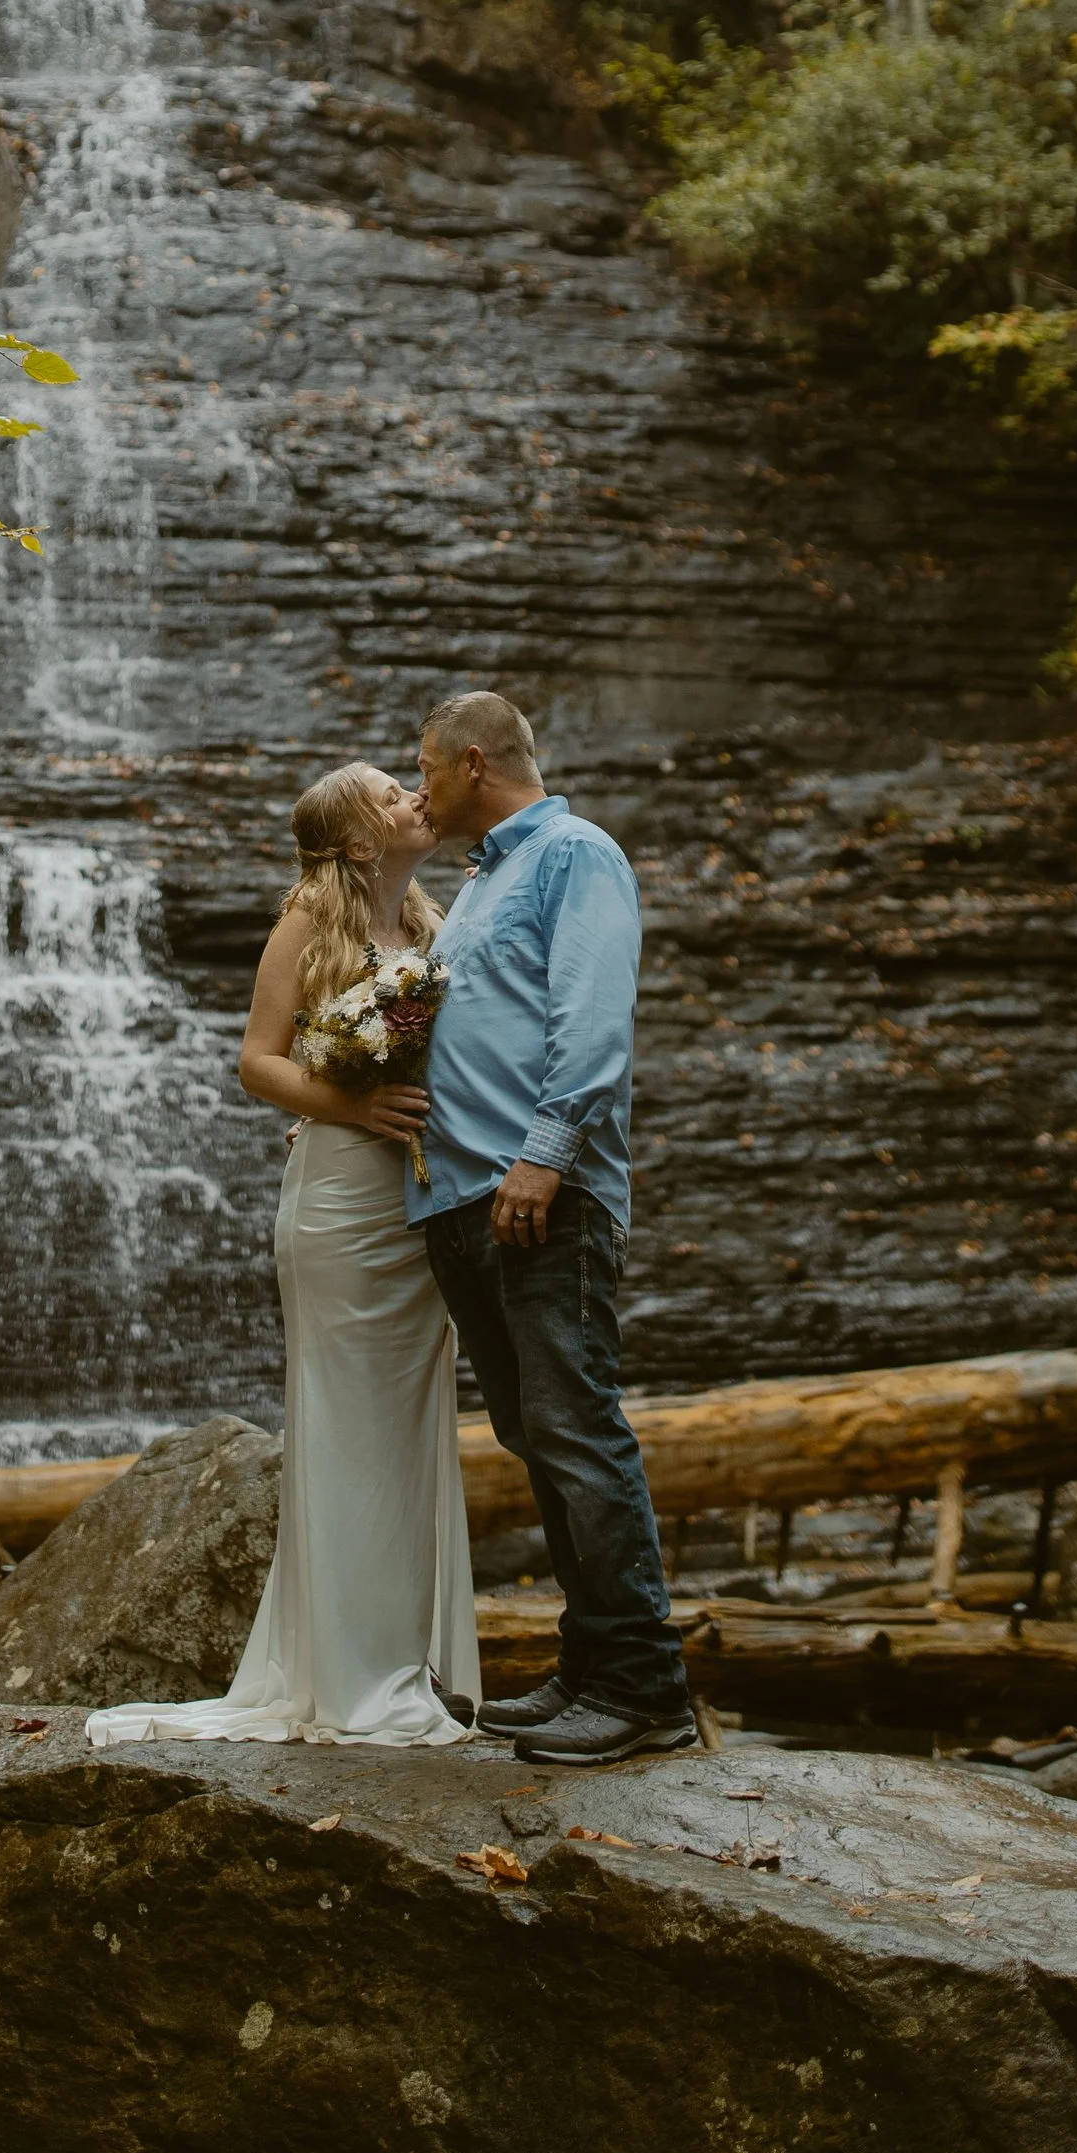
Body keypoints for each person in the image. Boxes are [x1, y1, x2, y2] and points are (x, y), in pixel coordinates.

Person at [85, 760, 480, 1750]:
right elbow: (258, 1059)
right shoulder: (311, 916)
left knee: (410, 1428)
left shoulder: (428, 923)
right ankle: (350, 1682)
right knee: (345, 1429)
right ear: (356, 843)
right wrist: (345, 1104)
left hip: (415, 1195)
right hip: (343, 1205)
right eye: (391, 796)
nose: (411, 799)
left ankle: (409, 1662)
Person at [413, 688, 696, 1767]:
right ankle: (590, 1667)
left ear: (474, 763)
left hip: (539, 1193)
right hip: (466, 1199)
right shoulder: (482, 884)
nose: (418, 791)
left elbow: (591, 1014)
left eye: (426, 771)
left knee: (576, 1428)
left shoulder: (574, 854)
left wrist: (544, 1155)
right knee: (540, 1435)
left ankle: (643, 1688)